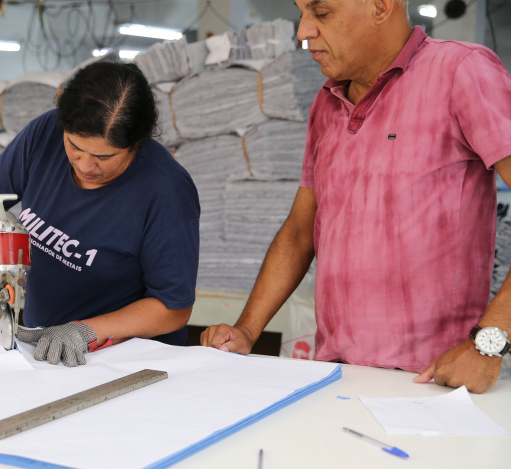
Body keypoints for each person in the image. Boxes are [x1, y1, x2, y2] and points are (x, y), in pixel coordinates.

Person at [200, 0, 511, 393]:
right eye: (301, 14)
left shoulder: (460, 71)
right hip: (337, 375)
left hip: (435, 379)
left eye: (321, 13)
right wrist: (247, 329)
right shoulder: (327, 103)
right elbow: (300, 231)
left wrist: (487, 345)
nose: (303, 31)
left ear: (380, 6)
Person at [0, 61, 200, 367]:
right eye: (74, 146)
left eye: (104, 157)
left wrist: (85, 331)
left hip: (125, 360)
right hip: (41, 345)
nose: (85, 165)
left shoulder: (166, 191)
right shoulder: (44, 133)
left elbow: (173, 309)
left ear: (136, 144)